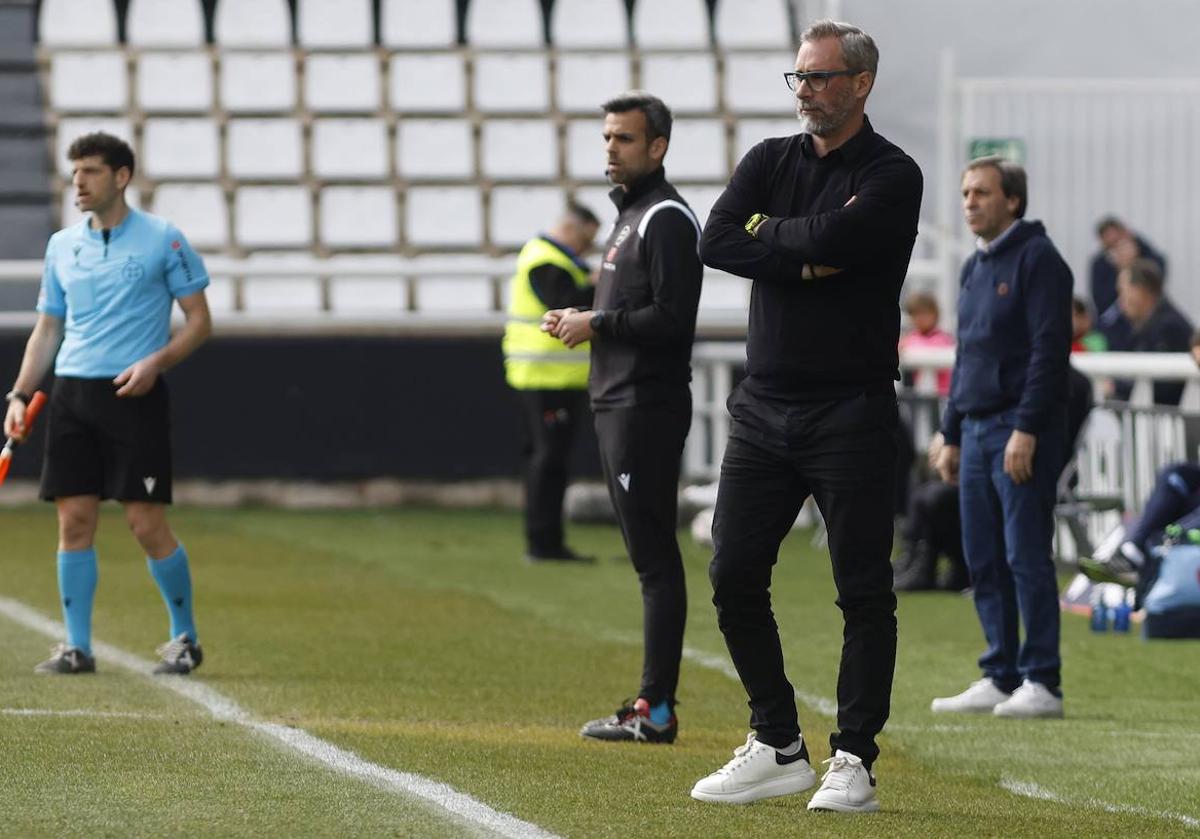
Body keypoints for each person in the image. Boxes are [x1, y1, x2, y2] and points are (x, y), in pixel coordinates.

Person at [690, 20, 922, 813]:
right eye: (799, 78)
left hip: (850, 406)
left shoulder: (894, 173)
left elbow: (844, 234)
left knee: (862, 588)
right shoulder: (767, 160)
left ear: (860, 83)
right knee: (730, 573)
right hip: (763, 405)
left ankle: (853, 756)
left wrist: (775, 237)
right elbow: (717, 238)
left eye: (821, 78)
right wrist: (801, 252)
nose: (806, 92)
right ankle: (778, 741)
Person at [3, 132, 212, 675]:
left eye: (91, 172)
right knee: (73, 521)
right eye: (75, 173)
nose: (79, 183)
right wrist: (21, 395)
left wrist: (156, 363)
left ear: (121, 177)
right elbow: (48, 327)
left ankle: (184, 638)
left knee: (145, 524)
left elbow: (200, 323)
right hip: (72, 395)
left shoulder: (163, 240)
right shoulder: (61, 245)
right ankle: (77, 648)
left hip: (133, 394)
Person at [543, 92, 702, 744]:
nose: (611, 148)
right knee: (648, 557)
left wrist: (597, 322)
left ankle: (656, 708)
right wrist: (585, 317)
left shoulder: (664, 217)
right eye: (607, 137)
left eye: (625, 139)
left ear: (657, 146)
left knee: (655, 559)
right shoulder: (630, 215)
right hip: (619, 401)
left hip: (645, 405)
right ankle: (651, 701)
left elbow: (673, 318)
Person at [932, 156, 1072, 720]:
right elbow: (967, 353)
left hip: (1019, 429)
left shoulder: (1040, 260)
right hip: (976, 428)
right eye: (965, 193)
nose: (969, 202)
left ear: (1012, 200)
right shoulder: (974, 266)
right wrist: (951, 431)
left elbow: (1048, 354)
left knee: (1025, 554)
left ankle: (1043, 680)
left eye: (981, 193)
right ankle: (1000, 671)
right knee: (982, 556)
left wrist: (1027, 428)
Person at [503, 202, 601, 563]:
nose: (588, 249)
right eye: (587, 240)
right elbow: (563, 305)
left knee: (545, 459)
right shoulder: (545, 261)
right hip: (548, 376)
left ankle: (545, 540)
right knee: (549, 461)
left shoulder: (547, 258)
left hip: (544, 375)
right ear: (574, 230)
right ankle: (544, 543)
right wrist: (596, 288)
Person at [1111, 258, 1193, 406]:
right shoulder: (1146, 326)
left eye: (1123, 291)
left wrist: (1116, 386)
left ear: (1141, 291)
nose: (1120, 301)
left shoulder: (1170, 327)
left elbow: (1165, 387)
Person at [898, 290, 954, 396]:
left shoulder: (943, 338)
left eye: (924, 314)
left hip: (941, 396)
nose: (920, 319)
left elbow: (930, 348)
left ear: (935, 314)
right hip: (918, 395)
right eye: (916, 315)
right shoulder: (910, 337)